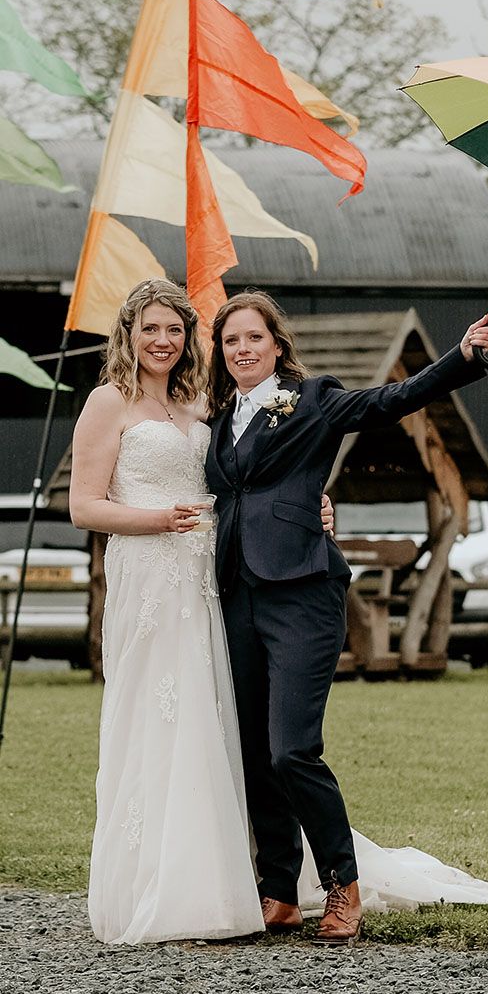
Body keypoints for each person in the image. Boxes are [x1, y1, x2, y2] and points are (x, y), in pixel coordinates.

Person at [204, 290, 488, 945]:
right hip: (234, 596)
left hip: (304, 594)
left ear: (276, 345)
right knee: (255, 754)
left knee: (291, 751)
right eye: (231, 341)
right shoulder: (215, 417)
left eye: (254, 338)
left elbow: (387, 402)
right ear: (221, 353)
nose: (243, 349)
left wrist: (463, 357)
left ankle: (343, 885)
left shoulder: (310, 400)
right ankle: (278, 891)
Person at [69, 278, 332, 945]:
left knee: (220, 719)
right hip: (151, 578)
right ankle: (166, 882)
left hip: (214, 579)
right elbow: (85, 507)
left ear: (190, 338)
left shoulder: (201, 402)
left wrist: (315, 506)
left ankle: (247, 875)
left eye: (176, 330)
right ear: (128, 332)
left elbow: (251, 479)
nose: (164, 341)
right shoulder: (109, 402)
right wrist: (157, 520)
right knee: (161, 718)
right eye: (151, 328)